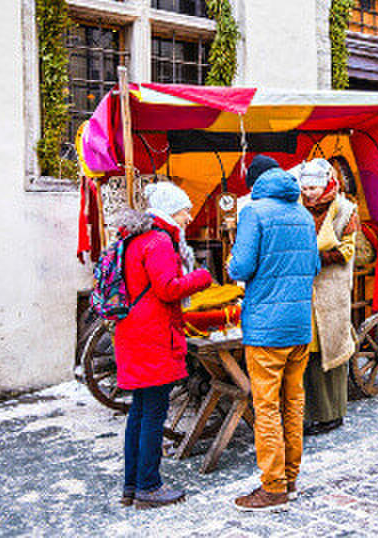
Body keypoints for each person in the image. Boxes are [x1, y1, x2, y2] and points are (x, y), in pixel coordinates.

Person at [227, 155, 320, 512]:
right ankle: (291, 479)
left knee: (266, 407)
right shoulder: (301, 213)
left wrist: (233, 262)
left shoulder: (253, 211)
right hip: (299, 324)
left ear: (253, 183)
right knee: (293, 403)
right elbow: (312, 265)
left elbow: (242, 266)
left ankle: (273, 487)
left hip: (266, 326)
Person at [114, 182, 213, 509]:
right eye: (185, 210)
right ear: (170, 211)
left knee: (140, 412)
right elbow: (168, 289)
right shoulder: (158, 241)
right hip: (152, 335)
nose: (188, 216)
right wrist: (201, 278)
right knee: (154, 413)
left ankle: (133, 485)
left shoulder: (136, 237)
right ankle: (149, 486)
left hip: (136, 332)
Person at [298, 158, 358, 436]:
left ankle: (332, 413)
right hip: (304, 291)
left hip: (331, 290)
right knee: (308, 353)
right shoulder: (297, 209)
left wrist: (315, 256)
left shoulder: (346, 210)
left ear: (325, 185)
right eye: (305, 187)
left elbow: (347, 250)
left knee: (331, 350)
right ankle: (309, 412)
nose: (308, 192)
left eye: (313, 187)